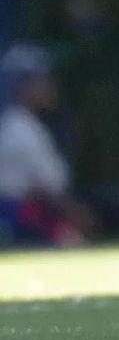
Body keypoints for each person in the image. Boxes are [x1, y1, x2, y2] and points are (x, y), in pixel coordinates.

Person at [0, 45, 84, 246]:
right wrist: (83, 216)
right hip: (21, 219)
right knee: (72, 240)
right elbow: (50, 192)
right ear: (23, 86)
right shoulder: (20, 128)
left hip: (26, 214)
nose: (50, 86)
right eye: (42, 80)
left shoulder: (23, 123)